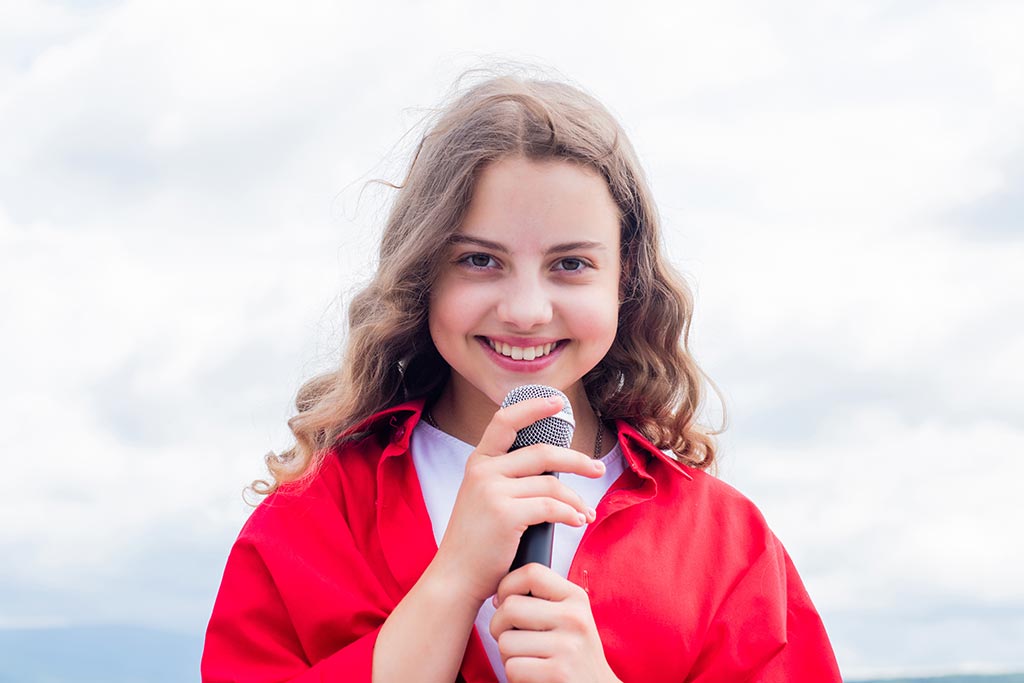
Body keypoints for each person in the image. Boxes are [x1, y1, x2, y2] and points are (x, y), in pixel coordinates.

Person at [201, 73, 842, 683]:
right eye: (480, 260)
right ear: (424, 274)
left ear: (628, 284)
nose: (527, 311)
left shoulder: (724, 541)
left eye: (570, 263)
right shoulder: (316, 513)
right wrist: (452, 581)